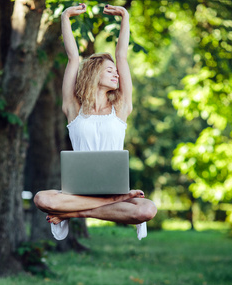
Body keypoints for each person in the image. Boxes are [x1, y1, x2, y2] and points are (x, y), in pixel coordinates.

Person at [34, 3, 157, 240]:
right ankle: (110, 203)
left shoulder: (120, 108)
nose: (116, 74)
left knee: (147, 209)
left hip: (110, 191)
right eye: (110, 70)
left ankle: (73, 213)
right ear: (93, 72)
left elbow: (122, 55)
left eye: (116, 72)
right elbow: (73, 57)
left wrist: (125, 18)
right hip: (79, 191)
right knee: (42, 198)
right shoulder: (74, 109)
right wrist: (65, 17)